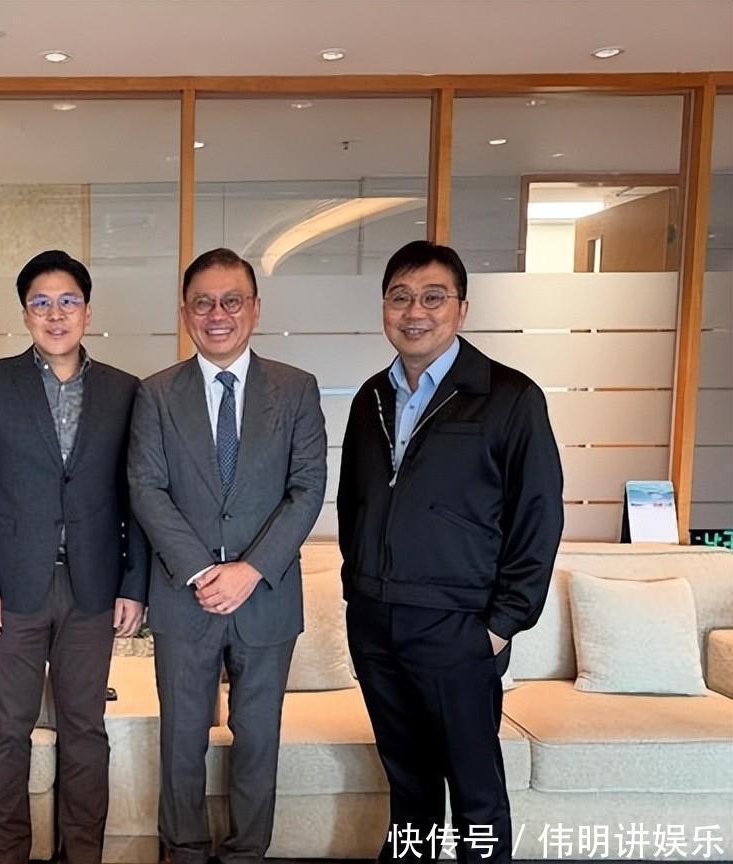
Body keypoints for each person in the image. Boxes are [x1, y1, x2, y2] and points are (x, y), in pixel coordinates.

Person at [337, 240, 563, 864]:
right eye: (400, 297)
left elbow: (538, 515)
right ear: (384, 307)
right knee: (408, 786)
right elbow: (354, 503)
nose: (416, 312)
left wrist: (502, 623)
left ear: (462, 309)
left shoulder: (509, 397)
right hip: (376, 621)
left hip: (459, 626)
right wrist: (358, 595)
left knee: (474, 793)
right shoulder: (370, 398)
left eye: (433, 297)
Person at [0, 250, 148, 864]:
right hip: (10, 590)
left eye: (67, 302)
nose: (55, 314)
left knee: (85, 729)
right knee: (9, 727)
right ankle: (7, 856)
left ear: (87, 312)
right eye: (41, 303)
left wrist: (133, 584)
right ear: (25, 314)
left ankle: (80, 855)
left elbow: (138, 496)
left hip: (93, 587)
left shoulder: (124, 391)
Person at [128, 248, 327, 863]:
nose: (218, 314)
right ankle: (183, 852)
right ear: (185, 312)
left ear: (255, 309)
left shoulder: (295, 389)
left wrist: (250, 570)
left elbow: (308, 489)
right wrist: (201, 570)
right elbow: (146, 488)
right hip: (183, 597)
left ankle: (246, 854)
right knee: (181, 742)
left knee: (258, 741)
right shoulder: (156, 394)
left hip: (266, 597)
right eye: (203, 303)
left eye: (231, 301)